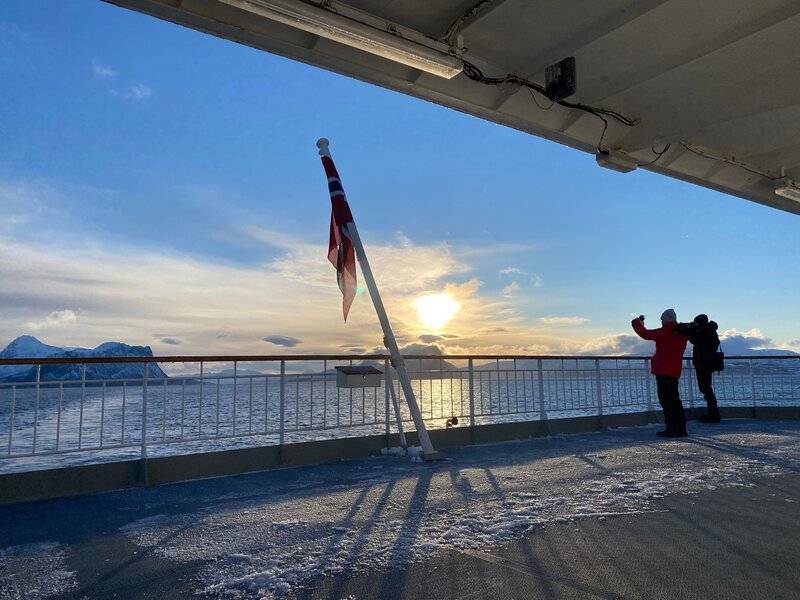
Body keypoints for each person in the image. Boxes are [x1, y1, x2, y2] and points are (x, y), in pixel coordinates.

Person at [631, 309, 689, 437]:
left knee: (667, 401)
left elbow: (644, 333)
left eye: (662, 319)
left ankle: (672, 428)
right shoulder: (681, 333)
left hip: (663, 370)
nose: (661, 322)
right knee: (675, 400)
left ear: (666, 319)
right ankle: (681, 428)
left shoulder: (665, 332)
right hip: (674, 371)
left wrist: (637, 321)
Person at [674, 314, 722, 422]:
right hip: (705, 363)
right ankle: (713, 413)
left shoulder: (707, 331)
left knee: (705, 388)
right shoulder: (708, 330)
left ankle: (713, 414)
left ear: (701, 323)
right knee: (706, 388)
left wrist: (692, 330)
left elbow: (695, 340)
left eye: (696, 322)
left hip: (704, 364)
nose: (694, 324)